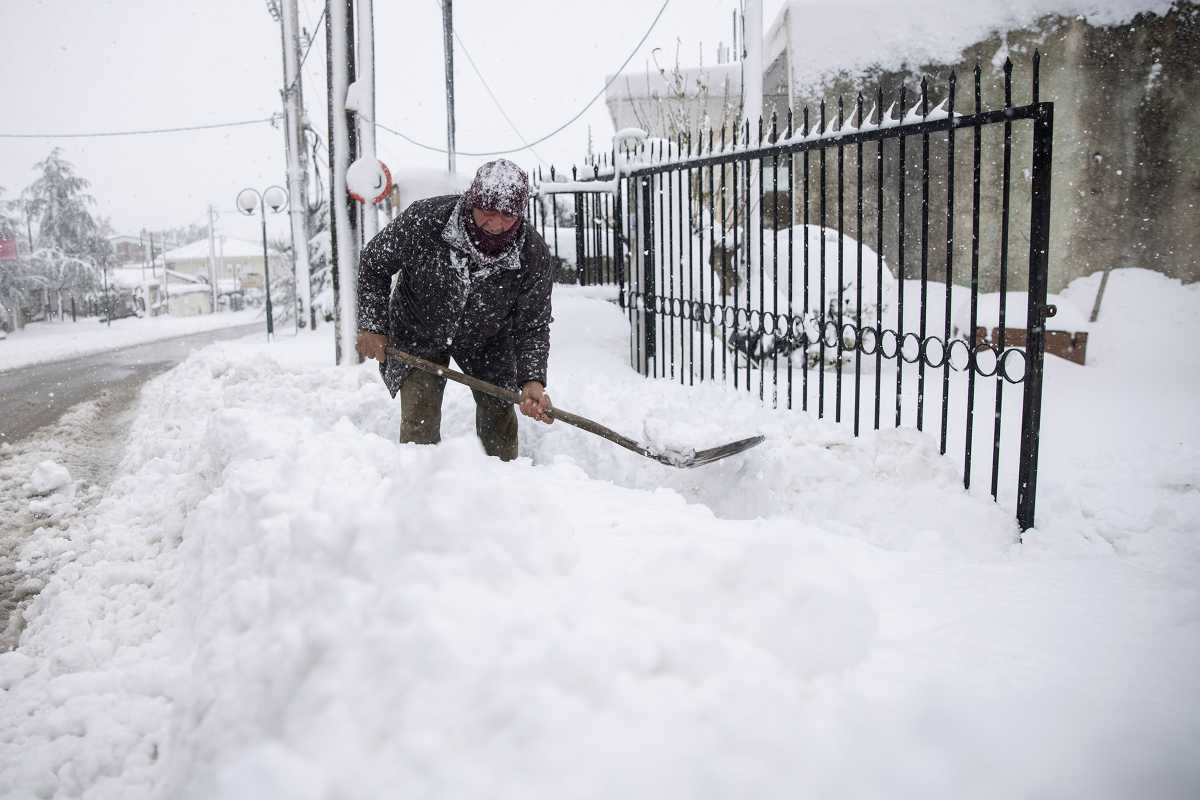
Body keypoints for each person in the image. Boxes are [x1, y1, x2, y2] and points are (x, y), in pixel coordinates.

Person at [355, 159, 555, 461]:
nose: (496, 223)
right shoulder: (426, 221)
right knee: (419, 421)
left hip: (489, 338)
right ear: (471, 200)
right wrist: (372, 325)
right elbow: (374, 262)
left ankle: (503, 487)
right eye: (487, 210)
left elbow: (533, 325)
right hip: (418, 328)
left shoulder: (532, 253)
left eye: (507, 215)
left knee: (498, 417)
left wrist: (532, 381)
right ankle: (418, 485)